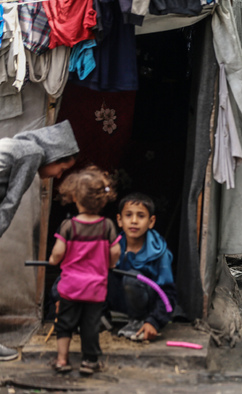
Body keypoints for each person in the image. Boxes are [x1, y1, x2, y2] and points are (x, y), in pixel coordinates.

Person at [0, 120, 79, 362]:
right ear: (53, 155)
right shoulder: (32, 153)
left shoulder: (13, 145)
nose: (58, 176)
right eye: (62, 169)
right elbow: (10, 202)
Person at [48, 166, 120, 374]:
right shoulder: (107, 226)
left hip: (70, 286)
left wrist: (53, 260)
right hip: (95, 288)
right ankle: (89, 361)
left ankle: (62, 360)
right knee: (90, 325)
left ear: (75, 198)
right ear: (102, 200)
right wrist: (110, 264)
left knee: (64, 323)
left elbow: (58, 252)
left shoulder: (68, 226)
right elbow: (115, 252)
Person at [107, 192, 176, 342]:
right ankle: (97, 316)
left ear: (151, 222)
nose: (134, 221)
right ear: (119, 220)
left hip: (147, 305)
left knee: (131, 278)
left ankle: (138, 321)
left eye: (141, 216)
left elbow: (168, 293)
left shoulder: (160, 252)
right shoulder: (113, 247)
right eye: (128, 215)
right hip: (119, 302)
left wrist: (154, 321)